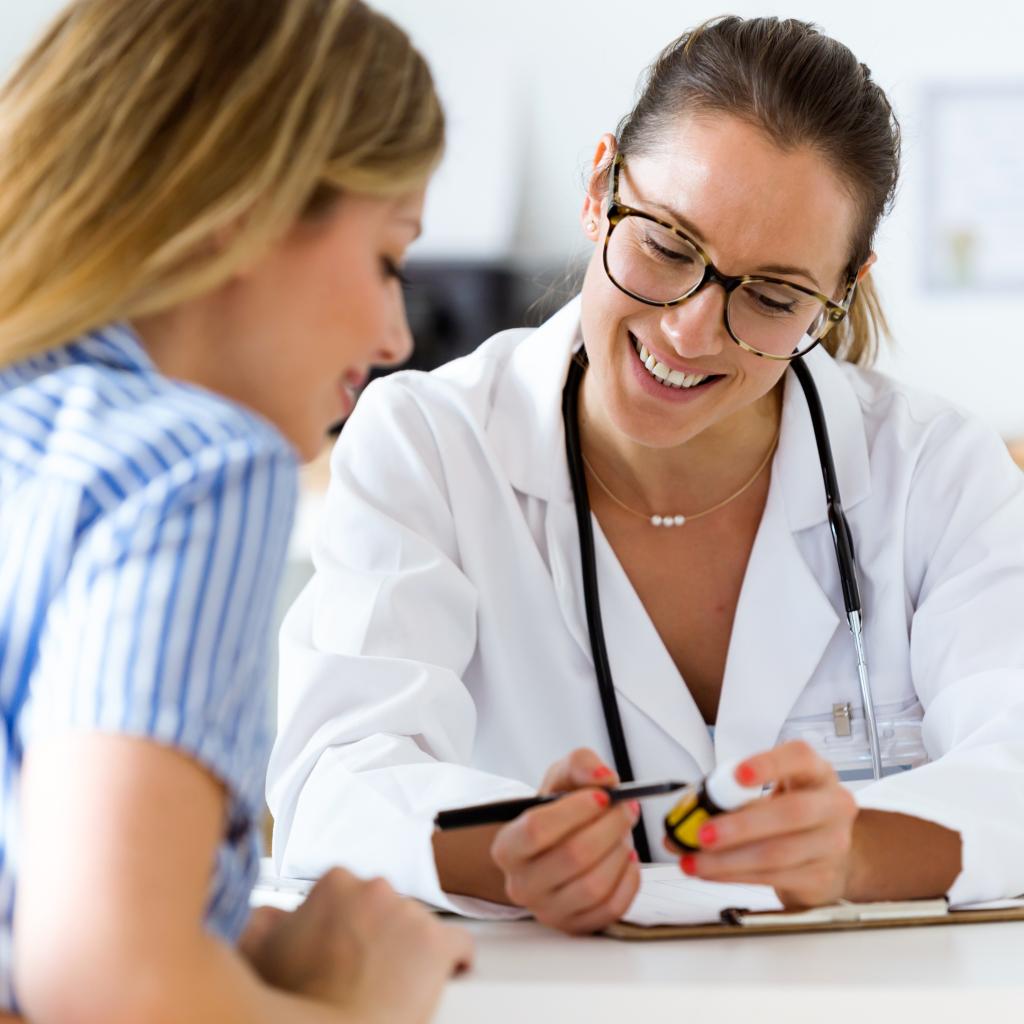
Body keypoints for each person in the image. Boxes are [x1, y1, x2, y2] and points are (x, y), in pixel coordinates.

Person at [268, 16, 1024, 935]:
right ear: (601, 191)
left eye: (774, 296)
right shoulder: (428, 443)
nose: (691, 331)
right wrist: (515, 855)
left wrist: (856, 852)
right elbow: (336, 779)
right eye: (667, 247)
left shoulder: (936, 470)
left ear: (840, 293)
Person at [0, 0, 472, 1020]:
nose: (397, 335)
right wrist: (362, 1003)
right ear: (246, 209)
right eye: (388, 259)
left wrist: (217, 930)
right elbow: (111, 977)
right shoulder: (196, 468)